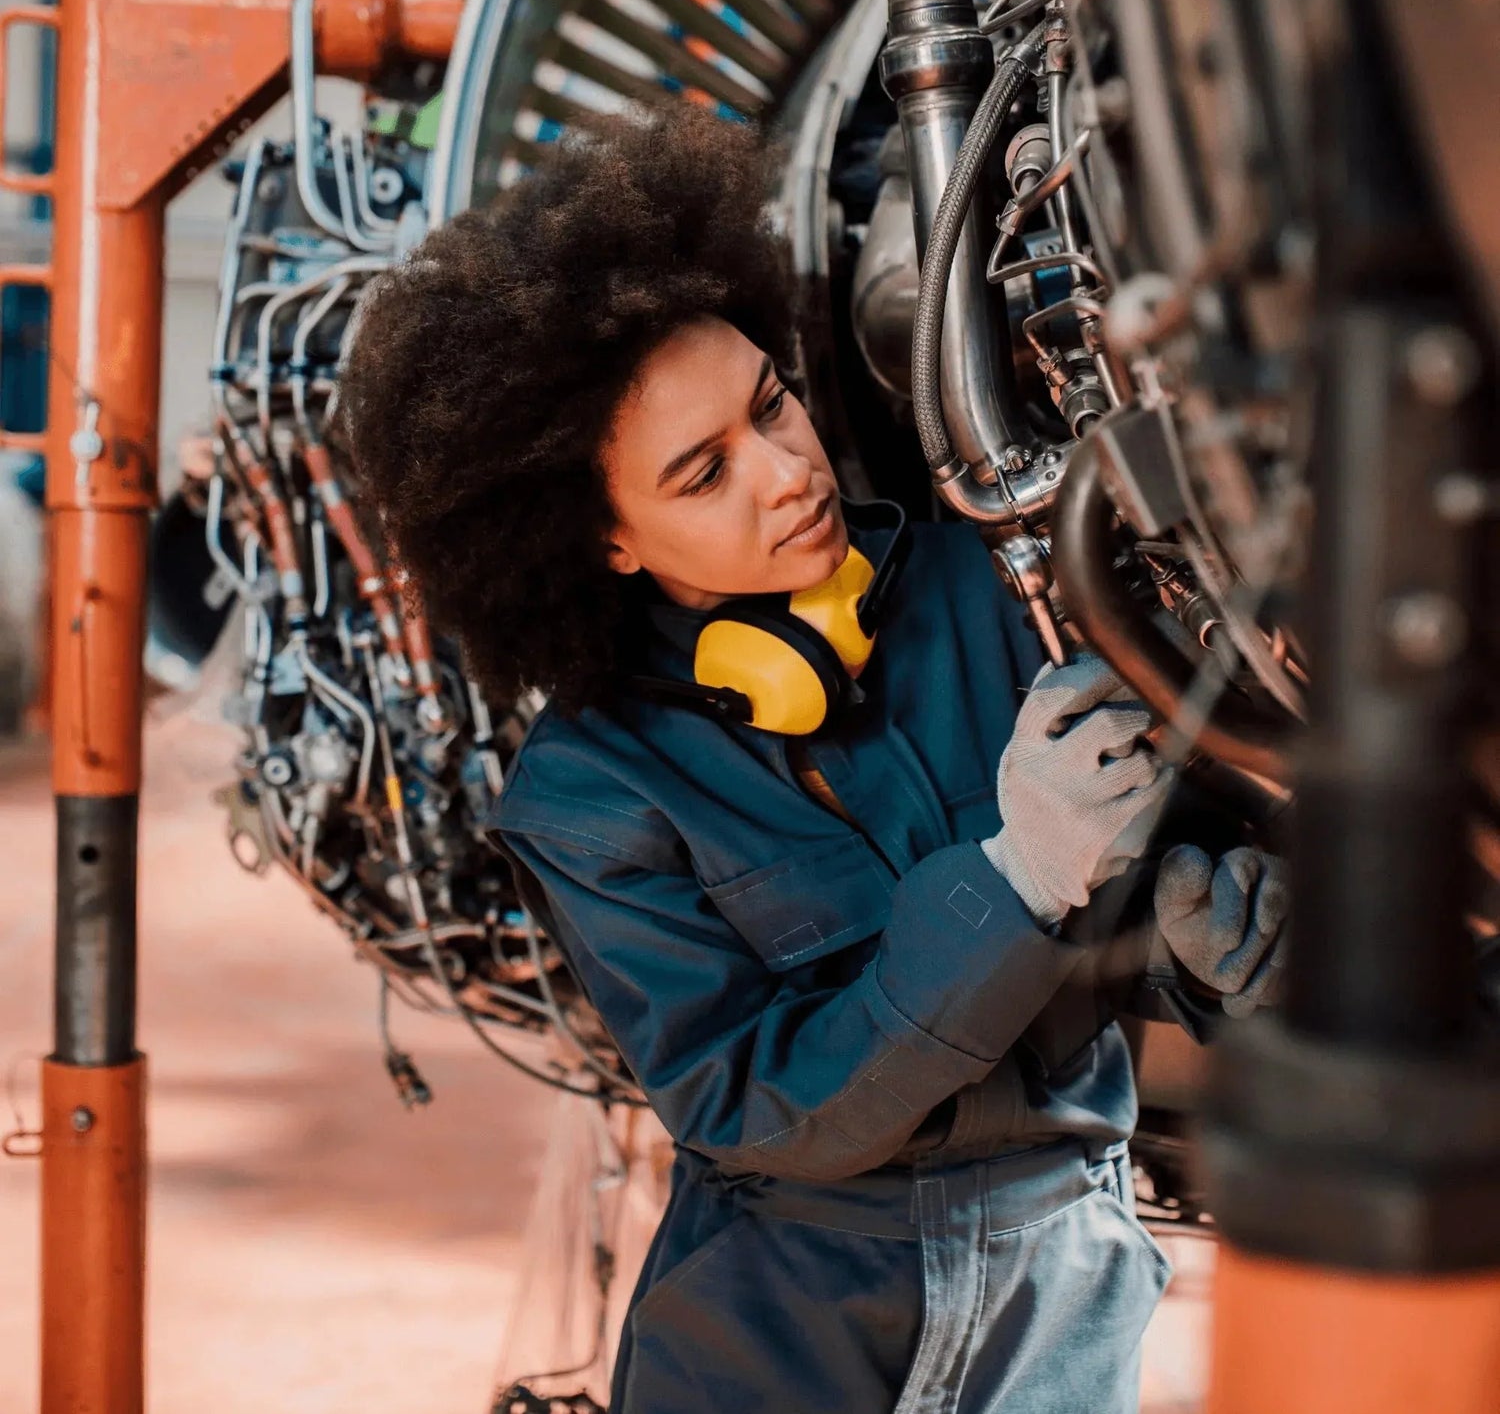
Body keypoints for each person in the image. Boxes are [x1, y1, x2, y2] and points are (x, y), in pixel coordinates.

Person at [340, 106, 1289, 1414]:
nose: (785, 473)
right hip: (784, 1310)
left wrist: (1200, 953)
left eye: (772, 405)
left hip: (1060, 1276)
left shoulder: (997, 590)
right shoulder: (591, 791)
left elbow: (1133, 925)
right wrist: (1012, 881)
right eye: (702, 472)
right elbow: (760, 1102)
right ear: (608, 539)